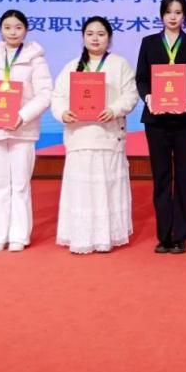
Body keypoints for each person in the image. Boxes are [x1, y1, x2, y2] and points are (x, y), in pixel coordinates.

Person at [50, 17, 140, 254]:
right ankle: (80, 237)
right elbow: (57, 97)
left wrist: (114, 109)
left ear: (109, 37)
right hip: (80, 136)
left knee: (106, 190)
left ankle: (106, 238)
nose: (95, 38)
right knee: (81, 191)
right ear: (83, 37)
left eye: (101, 34)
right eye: (90, 34)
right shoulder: (71, 66)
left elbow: (131, 95)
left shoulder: (119, 64)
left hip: (108, 136)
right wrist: (63, 113)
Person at [0, 9, 52, 252]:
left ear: (26, 30)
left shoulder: (36, 59)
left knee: (20, 185)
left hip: (22, 131)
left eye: (18, 27)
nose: (12, 32)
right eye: (7, 27)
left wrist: (22, 116)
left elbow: (45, 94)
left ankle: (19, 235)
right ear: (0, 30)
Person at [136, 0, 186, 254]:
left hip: (185, 120)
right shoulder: (149, 43)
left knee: (185, 176)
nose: (173, 17)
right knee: (162, 176)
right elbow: (141, 78)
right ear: (161, 15)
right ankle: (164, 235)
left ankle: (181, 235)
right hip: (156, 120)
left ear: (185, 15)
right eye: (168, 12)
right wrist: (148, 97)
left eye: (178, 12)